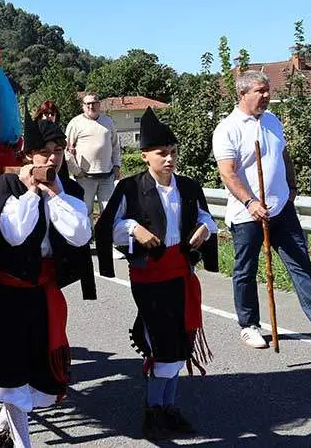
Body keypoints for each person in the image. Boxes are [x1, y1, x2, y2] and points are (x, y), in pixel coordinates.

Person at [213, 71, 311, 348]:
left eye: (268, 90)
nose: (267, 95)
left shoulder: (272, 121)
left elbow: (283, 155)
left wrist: (291, 186)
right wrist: (250, 202)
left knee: (301, 264)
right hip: (247, 214)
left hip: (281, 208)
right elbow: (228, 174)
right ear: (242, 94)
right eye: (260, 91)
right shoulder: (227, 128)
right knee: (246, 269)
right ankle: (249, 325)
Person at [96, 109, 219, 440]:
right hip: (150, 276)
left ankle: (168, 408)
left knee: (180, 342)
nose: (169, 159)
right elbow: (108, 227)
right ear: (145, 156)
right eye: (162, 153)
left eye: (173, 152)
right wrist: (134, 229)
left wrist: (204, 229)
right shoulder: (131, 188)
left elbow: (208, 217)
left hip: (180, 273)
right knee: (162, 344)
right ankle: (154, 411)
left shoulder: (189, 187)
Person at [0, 108, 93, 448]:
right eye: (45, 152)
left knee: (40, 375)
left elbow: (79, 235)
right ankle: (22, 443)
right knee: (13, 373)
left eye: (58, 151)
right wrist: (32, 190)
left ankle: (5, 416)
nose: (53, 158)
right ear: (29, 156)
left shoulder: (71, 191)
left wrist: (54, 194)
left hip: (46, 293)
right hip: (12, 292)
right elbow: (13, 234)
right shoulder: (8, 184)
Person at [65, 93, 121, 215]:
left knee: (109, 212)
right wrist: (77, 171)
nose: (91, 106)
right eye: (88, 104)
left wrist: (117, 166)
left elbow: (116, 146)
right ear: (83, 106)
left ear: (99, 104)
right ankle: (89, 234)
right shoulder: (75, 123)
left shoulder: (108, 122)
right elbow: (67, 150)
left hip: (107, 176)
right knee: (85, 212)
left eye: (94, 103)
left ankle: (105, 234)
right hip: (85, 178)